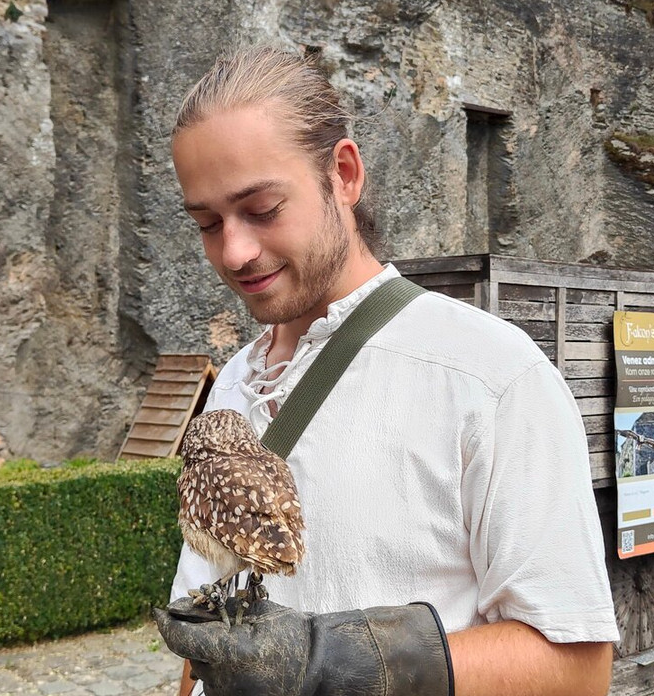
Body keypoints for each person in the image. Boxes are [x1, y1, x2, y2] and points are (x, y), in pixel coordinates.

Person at [154, 46, 618, 696]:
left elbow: (578, 669)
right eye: (207, 223)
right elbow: (205, 623)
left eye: (262, 209)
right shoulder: (232, 384)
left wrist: (335, 663)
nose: (234, 251)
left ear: (343, 175)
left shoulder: (489, 377)